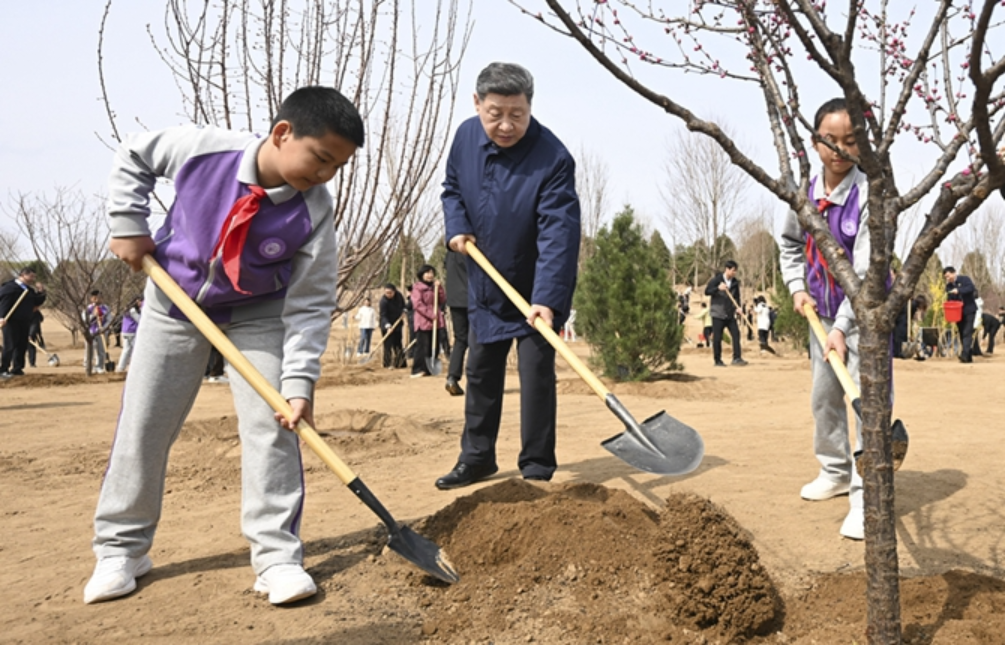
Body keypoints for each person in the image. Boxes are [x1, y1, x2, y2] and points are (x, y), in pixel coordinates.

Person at [84, 86, 363, 606]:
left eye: (338, 167)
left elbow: (311, 302)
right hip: (173, 303)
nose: (326, 174)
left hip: (258, 316)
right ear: (282, 133)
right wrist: (127, 224)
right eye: (321, 158)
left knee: (274, 424)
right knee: (145, 423)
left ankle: (276, 558)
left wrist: (298, 382)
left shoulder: (315, 209)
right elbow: (135, 154)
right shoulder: (205, 149)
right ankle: (121, 549)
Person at [435, 62, 580, 489]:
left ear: (530, 107)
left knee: (536, 377)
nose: (505, 125)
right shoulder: (465, 137)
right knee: (481, 370)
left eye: (517, 114)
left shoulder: (553, 157)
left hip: (535, 287)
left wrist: (547, 298)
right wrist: (456, 226)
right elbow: (452, 189)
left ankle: (536, 465)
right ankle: (477, 457)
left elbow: (559, 233)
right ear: (477, 103)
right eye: (495, 113)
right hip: (485, 278)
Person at [779, 97, 872, 541]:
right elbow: (789, 245)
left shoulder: (869, 194)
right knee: (824, 396)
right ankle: (834, 471)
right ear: (815, 143)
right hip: (820, 311)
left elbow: (866, 272)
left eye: (850, 141)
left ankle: (866, 497)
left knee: (866, 402)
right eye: (830, 140)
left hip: (865, 317)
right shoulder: (805, 193)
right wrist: (797, 288)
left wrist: (843, 327)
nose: (840, 149)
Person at [0, 267, 47, 378]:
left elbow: (37, 301)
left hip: (25, 321)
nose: (33, 279)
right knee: (10, 345)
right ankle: (3, 369)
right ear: (23, 275)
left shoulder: (29, 290)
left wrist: (41, 292)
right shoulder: (10, 288)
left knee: (21, 345)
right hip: (10, 321)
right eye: (31, 276)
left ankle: (17, 368)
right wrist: (1, 317)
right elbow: (3, 303)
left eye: (34, 277)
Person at [704, 260, 747, 367]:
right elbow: (707, 291)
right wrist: (717, 288)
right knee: (717, 338)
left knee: (736, 334)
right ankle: (717, 360)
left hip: (730, 314)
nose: (734, 273)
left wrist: (738, 308)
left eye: (735, 271)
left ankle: (737, 358)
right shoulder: (717, 279)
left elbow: (737, 297)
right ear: (727, 269)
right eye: (733, 270)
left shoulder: (735, 282)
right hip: (718, 313)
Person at [410, 265, 445, 378]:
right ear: (422, 275)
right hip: (423, 321)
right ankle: (418, 369)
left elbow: (442, 300)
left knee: (434, 345)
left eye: (431, 273)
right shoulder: (417, 288)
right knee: (422, 346)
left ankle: (429, 369)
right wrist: (431, 315)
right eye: (427, 273)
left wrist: (440, 288)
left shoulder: (435, 287)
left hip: (435, 322)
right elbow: (417, 304)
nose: (430, 275)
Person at [444, 248, 469, 395]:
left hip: (454, 300)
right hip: (472, 298)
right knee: (478, 340)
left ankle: (452, 377)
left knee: (460, 339)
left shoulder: (450, 252)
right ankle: (477, 380)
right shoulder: (469, 248)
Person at [943, 266, 978, 363]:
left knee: (967, 332)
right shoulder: (948, 286)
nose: (948, 278)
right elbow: (949, 299)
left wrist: (959, 290)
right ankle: (968, 355)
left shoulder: (964, 279)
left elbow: (970, 288)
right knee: (962, 333)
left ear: (954, 273)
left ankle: (964, 355)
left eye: (948, 276)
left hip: (969, 310)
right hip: (957, 313)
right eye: (946, 277)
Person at [378, 283, 407, 368]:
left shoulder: (399, 296)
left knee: (398, 344)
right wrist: (388, 326)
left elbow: (403, 306)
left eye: (390, 293)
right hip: (386, 325)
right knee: (388, 345)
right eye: (386, 293)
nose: (388, 294)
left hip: (397, 323)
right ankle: (387, 363)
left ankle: (400, 363)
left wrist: (404, 311)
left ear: (394, 291)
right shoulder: (383, 301)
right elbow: (383, 315)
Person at [86, 290, 112, 373]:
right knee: (90, 350)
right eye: (95, 297)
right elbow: (85, 320)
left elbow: (109, 320)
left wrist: (104, 328)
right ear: (91, 299)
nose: (97, 299)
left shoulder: (106, 308)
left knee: (101, 350)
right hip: (91, 332)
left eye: (99, 297)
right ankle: (89, 366)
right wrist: (93, 315)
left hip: (102, 332)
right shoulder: (88, 308)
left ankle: (100, 366)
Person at [116, 296, 143, 372]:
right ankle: (133, 367)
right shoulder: (133, 310)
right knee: (135, 350)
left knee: (126, 350)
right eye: (139, 301)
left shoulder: (127, 310)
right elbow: (139, 320)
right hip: (132, 332)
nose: (140, 303)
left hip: (125, 332)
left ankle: (121, 367)